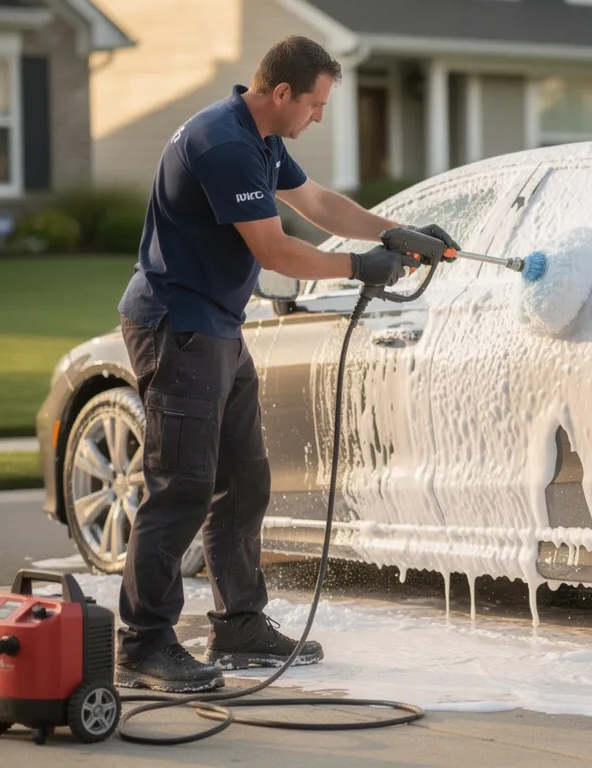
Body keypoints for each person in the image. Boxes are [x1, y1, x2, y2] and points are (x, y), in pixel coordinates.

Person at [112, 35, 460, 693]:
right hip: (177, 326)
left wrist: (395, 232)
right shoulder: (223, 144)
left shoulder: (261, 138)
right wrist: (358, 266)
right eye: (315, 105)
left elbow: (320, 204)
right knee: (181, 485)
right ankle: (143, 644)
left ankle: (239, 624)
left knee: (243, 480)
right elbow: (273, 250)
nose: (318, 117)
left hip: (216, 325)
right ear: (280, 93)